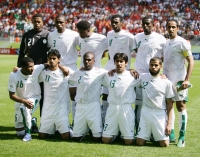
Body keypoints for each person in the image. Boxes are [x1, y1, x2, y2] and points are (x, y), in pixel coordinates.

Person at [163, 19, 194, 147]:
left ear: (177, 28)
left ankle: (182, 136)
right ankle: (172, 134)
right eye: (169, 27)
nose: (171, 29)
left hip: (179, 82)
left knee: (180, 107)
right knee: (168, 107)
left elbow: (191, 61)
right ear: (166, 28)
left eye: (173, 27)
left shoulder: (182, 43)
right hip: (167, 82)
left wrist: (187, 79)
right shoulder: (166, 43)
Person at [133, 16, 166, 134]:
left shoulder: (161, 39)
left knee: (155, 105)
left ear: (153, 24)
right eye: (144, 24)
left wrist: (162, 72)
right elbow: (137, 53)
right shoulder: (137, 38)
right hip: (140, 76)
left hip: (155, 77)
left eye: (148, 24)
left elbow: (164, 56)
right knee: (138, 104)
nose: (146, 26)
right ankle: (138, 130)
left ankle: (156, 131)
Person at [102, 14, 135, 123]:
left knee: (122, 95)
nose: (114, 24)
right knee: (106, 95)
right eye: (112, 22)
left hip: (123, 71)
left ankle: (124, 121)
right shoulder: (109, 34)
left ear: (122, 23)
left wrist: (130, 68)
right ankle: (104, 120)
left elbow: (136, 51)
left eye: (116, 22)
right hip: (110, 69)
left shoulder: (129, 36)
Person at [102, 53, 139, 145]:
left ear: (126, 63)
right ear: (114, 62)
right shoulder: (109, 75)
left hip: (126, 109)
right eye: (117, 61)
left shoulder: (133, 76)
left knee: (129, 142)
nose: (119, 64)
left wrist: (163, 76)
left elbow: (148, 78)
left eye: (121, 61)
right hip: (112, 108)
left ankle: (123, 134)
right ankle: (115, 134)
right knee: (105, 140)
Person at [136, 57, 174, 147]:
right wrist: (130, 70)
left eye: (156, 65)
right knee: (139, 143)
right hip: (146, 112)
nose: (153, 67)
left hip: (159, 114)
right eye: (151, 65)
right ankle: (151, 134)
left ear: (160, 66)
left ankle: (155, 135)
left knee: (164, 144)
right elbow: (130, 76)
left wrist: (169, 124)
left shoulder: (166, 82)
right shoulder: (143, 77)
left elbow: (170, 104)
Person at [69, 52, 107, 142]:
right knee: (76, 138)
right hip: (80, 107)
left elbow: (114, 72)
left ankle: (91, 128)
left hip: (93, 107)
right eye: (85, 60)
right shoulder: (78, 72)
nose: (87, 62)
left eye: (89, 60)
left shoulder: (100, 72)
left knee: (97, 138)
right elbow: (69, 80)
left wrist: (132, 70)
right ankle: (76, 129)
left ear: (94, 61)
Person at [47, 14, 79, 122]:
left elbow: (83, 47)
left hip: (72, 68)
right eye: (57, 22)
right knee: (58, 97)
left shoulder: (74, 35)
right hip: (57, 69)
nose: (59, 24)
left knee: (74, 96)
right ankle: (60, 123)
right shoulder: (51, 35)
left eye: (61, 22)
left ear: (66, 23)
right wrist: (59, 66)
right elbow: (51, 52)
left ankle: (75, 123)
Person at [17, 13, 49, 118]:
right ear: (32, 22)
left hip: (43, 71)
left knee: (44, 97)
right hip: (29, 71)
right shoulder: (27, 35)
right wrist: (19, 67)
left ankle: (43, 122)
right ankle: (29, 121)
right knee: (28, 96)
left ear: (42, 22)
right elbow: (21, 53)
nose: (37, 24)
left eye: (39, 22)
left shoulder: (47, 35)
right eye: (35, 22)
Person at [8, 57, 48, 142]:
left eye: (33, 66)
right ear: (23, 67)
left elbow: (47, 64)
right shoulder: (14, 75)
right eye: (30, 67)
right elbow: (11, 95)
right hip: (21, 100)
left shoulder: (36, 69)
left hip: (35, 97)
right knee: (19, 133)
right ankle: (32, 122)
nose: (32, 69)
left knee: (24, 108)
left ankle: (28, 134)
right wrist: (23, 101)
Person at [38, 49, 73, 141]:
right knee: (41, 136)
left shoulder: (66, 72)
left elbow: (79, 75)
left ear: (59, 59)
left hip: (61, 110)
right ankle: (51, 128)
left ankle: (70, 129)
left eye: (54, 58)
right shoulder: (44, 73)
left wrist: (62, 67)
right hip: (47, 109)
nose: (52, 61)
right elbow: (31, 71)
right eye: (50, 58)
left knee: (66, 138)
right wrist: (19, 69)